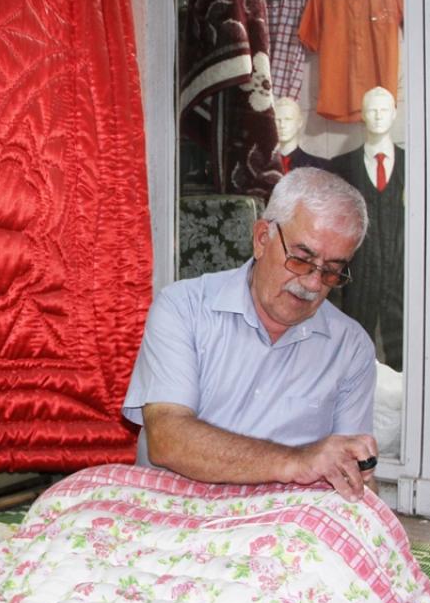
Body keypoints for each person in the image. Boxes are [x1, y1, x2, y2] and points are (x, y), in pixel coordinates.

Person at [122, 168, 379, 501]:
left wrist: (361, 483)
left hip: (281, 520)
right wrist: (295, 461)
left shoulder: (351, 347)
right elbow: (167, 439)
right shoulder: (184, 308)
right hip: (174, 509)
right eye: (301, 260)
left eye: (331, 271)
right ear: (261, 239)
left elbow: (351, 473)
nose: (313, 284)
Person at [331, 86, 405, 370]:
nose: (377, 116)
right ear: (362, 114)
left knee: (404, 350)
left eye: (384, 110)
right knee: (354, 349)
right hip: (358, 274)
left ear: (394, 114)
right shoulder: (342, 166)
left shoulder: (413, 165)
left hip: (401, 273)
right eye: (371, 110)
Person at [274, 97, 331, 174]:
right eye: (277, 120)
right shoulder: (262, 164)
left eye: (288, 119)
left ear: (299, 122)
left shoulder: (319, 165)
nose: (282, 125)